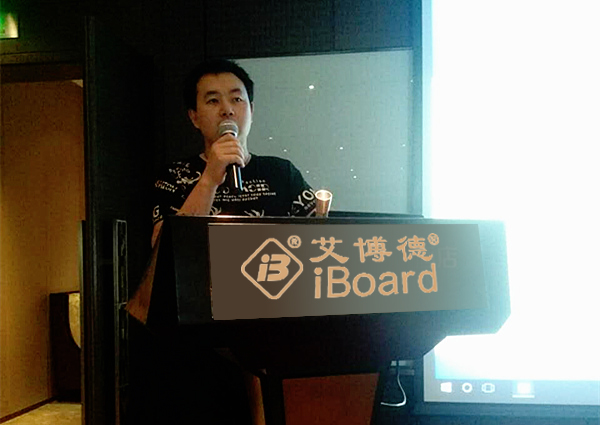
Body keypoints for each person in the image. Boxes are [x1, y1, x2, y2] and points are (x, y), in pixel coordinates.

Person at [151, 59, 316, 247]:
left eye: (236, 99)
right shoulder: (174, 176)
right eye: (213, 101)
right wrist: (209, 180)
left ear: (251, 110)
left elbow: (323, 236)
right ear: (194, 117)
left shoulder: (282, 173)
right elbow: (161, 252)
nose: (227, 110)